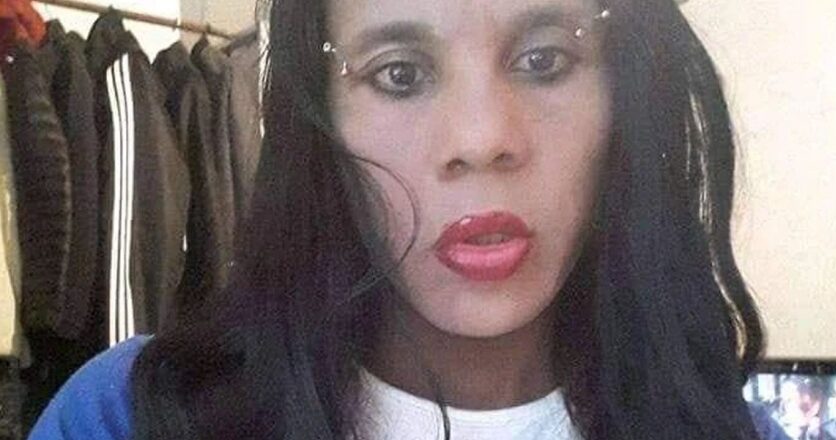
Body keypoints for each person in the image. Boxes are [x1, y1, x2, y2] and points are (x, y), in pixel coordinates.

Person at [28, 0, 766, 439]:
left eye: (544, 61)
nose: (481, 139)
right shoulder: (133, 417)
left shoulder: (726, 431)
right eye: (400, 74)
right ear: (318, 118)